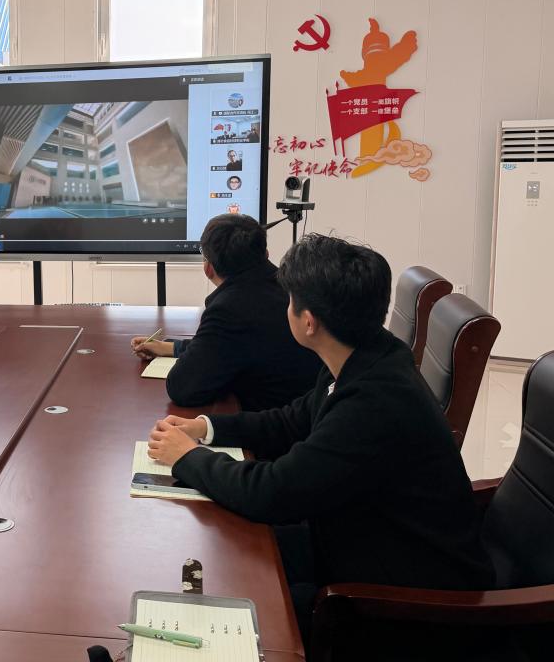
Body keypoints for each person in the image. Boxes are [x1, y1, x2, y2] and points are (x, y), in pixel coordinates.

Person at [146, 234, 495, 648]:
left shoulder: (373, 403)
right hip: (358, 538)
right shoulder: (367, 353)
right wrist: (207, 428)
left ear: (308, 322)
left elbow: (272, 492)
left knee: (225, 596)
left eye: (288, 300)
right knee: (221, 551)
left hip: (402, 605)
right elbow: (292, 419)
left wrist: (187, 458)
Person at [131, 214, 320, 411]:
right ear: (266, 254)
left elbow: (183, 387)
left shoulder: (229, 309)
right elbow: (232, 345)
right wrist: (171, 348)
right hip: (313, 412)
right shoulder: (291, 286)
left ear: (208, 268)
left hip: (275, 422)